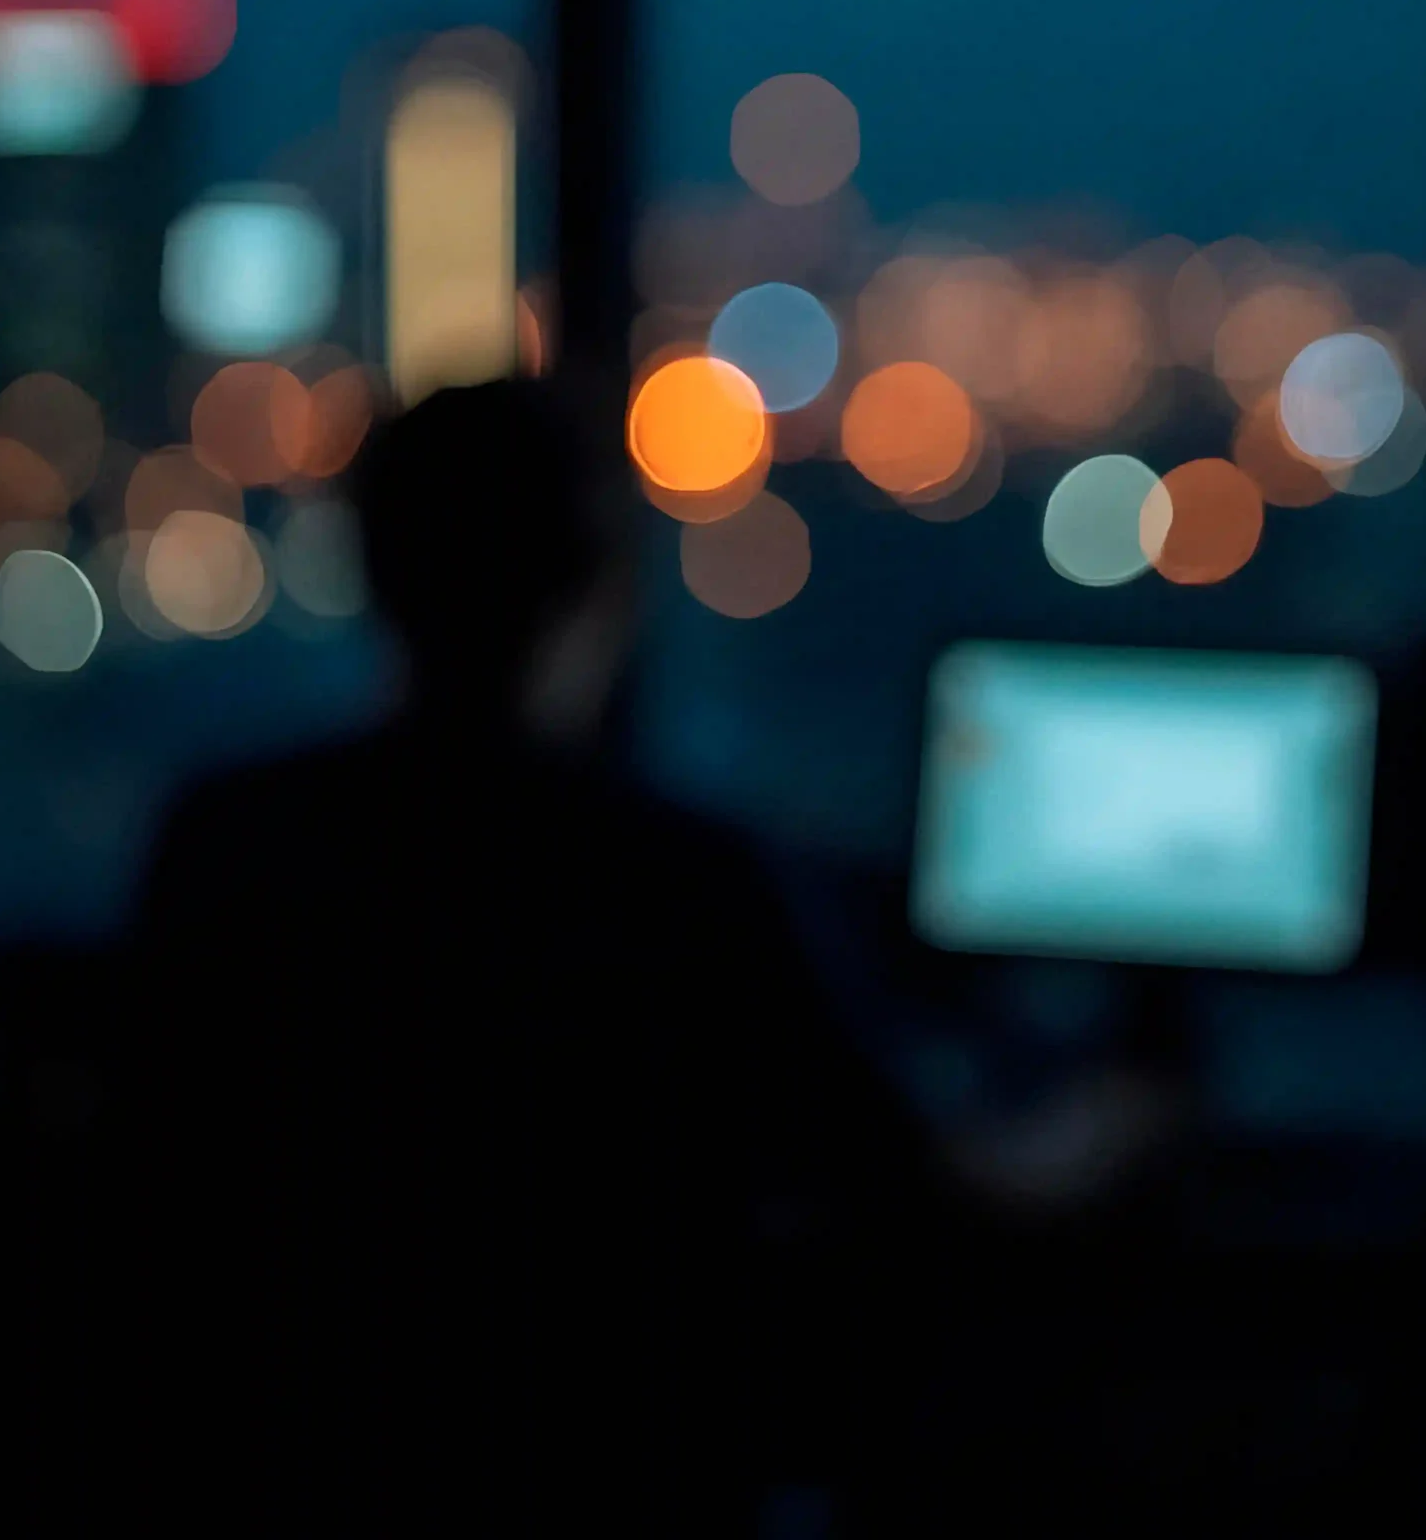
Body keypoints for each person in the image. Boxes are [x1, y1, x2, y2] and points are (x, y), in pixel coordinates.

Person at [106, 375, 938, 1535]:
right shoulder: (681, 885)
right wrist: (1103, 1134)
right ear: (600, 587)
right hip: (610, 1476)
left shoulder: (227, 843)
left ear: (374, 571)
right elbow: (900, 1177)